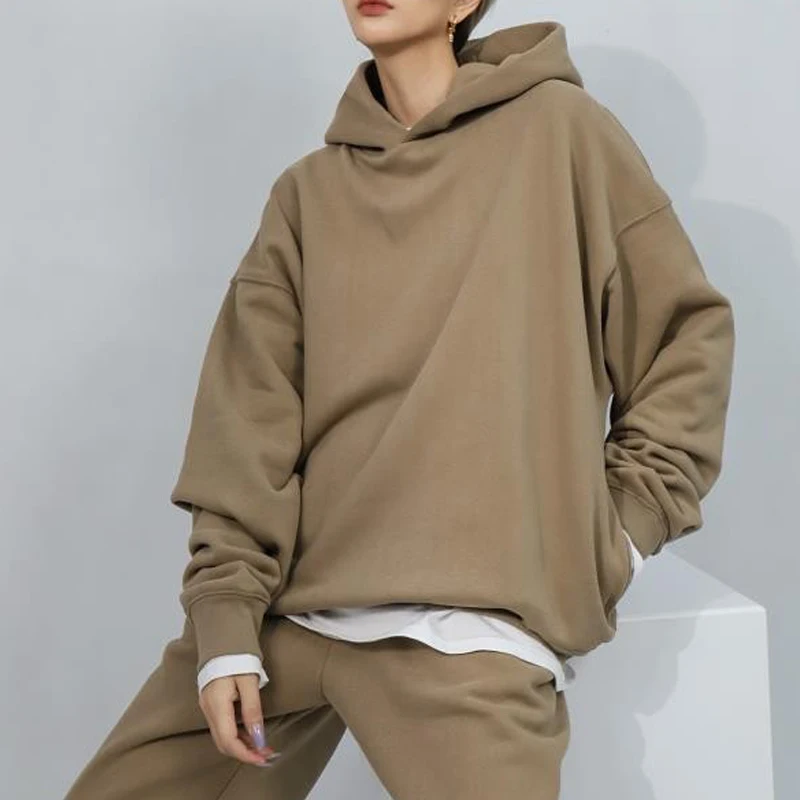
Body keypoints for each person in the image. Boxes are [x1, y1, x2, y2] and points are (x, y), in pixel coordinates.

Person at [63, 2, 735, 798]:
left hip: (468, 634)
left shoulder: (564, 135)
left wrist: (617, 535)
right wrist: (226, 623)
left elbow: (685, 341)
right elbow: (246, 426)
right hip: (286, 619)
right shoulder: (307, 195)